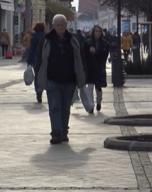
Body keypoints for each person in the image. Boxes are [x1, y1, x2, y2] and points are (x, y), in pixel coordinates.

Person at [35, 14, 86, 145]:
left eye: (62, 25)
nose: (60, 27)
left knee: (65, 107)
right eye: (57, 25)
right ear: (53, 26)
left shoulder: (73, 39)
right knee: (55, 106)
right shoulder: (47, 39)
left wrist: (82, 75)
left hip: (69, 79)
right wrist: (39, 74)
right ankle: (56, 132)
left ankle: (64, 131)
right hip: (52, 79)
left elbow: (80, 57)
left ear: (66, 25)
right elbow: (39, 58)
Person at [82, 25, 110, 113]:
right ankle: (91, 106)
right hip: (90, 67)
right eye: (96, 31)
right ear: (93, 32)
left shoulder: (105, 43)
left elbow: (104, 56)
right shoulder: (88, 43)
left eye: (99, 31)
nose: (98, 33)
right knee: (90, 87)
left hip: (99, 67)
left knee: (98, 87)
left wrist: (95, 52)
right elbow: (84, 55)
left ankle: (98, 102)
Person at [27, 22, 45, 103]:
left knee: (37, 76)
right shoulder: (47, 37)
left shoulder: (34, 38)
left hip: (35, 60)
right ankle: (46, 90)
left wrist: (29, 61)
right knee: (46, 76)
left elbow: (32, 50)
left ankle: (38, 92)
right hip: (45, 59)